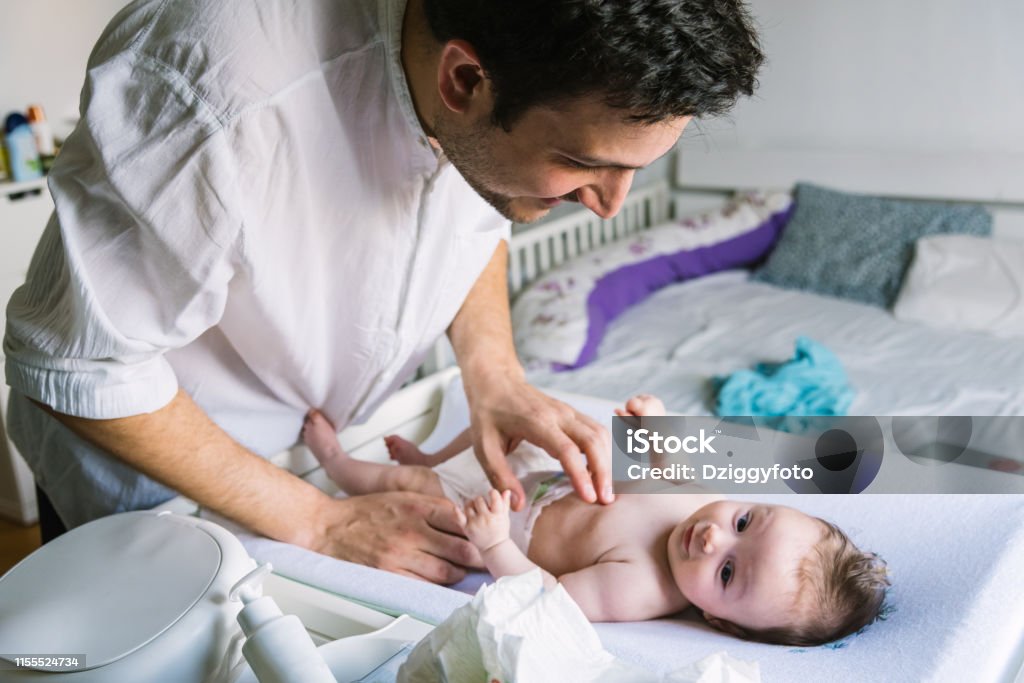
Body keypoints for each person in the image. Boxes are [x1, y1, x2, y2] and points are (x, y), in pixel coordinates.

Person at [3, 0, 764, 583]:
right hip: (161, 483)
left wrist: (494, 372)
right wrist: (318, 522)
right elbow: (77, 363)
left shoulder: (490, 80)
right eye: (582, 165)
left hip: (328, 441)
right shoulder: (215, 99)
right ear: (463, 81)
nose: (610, 205)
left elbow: (474, 208)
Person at [302, 395, 889, 645]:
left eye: (729, 573)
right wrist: (655, 432)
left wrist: (494, 545)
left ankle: (341, 465)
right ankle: (435, 453)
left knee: (410, 489)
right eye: (745, 522)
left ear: (719, 620)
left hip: (510, 517)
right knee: (511, 425)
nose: (713, 538)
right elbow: (671, 471)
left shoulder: (640, 587)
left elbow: (545, 594)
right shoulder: (706, 505)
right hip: (549, 478)